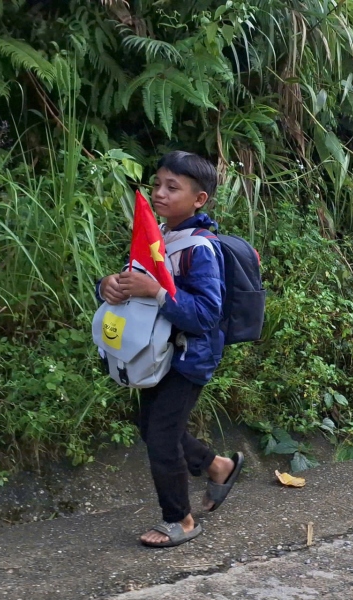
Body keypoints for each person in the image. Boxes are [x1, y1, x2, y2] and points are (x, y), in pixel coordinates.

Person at [97, 151, 243, 548]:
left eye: (172, 187)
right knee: (152, 429)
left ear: (200, 200)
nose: (159, 193)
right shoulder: (157, 236)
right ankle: (219, 466)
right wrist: (108, 284)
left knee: (161, 437)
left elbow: (206, 315)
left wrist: (158, 293)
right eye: (157, 184)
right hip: (152, 355)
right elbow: (133, 288)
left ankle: (181, 520)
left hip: (187, 358)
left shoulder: (202, 250)